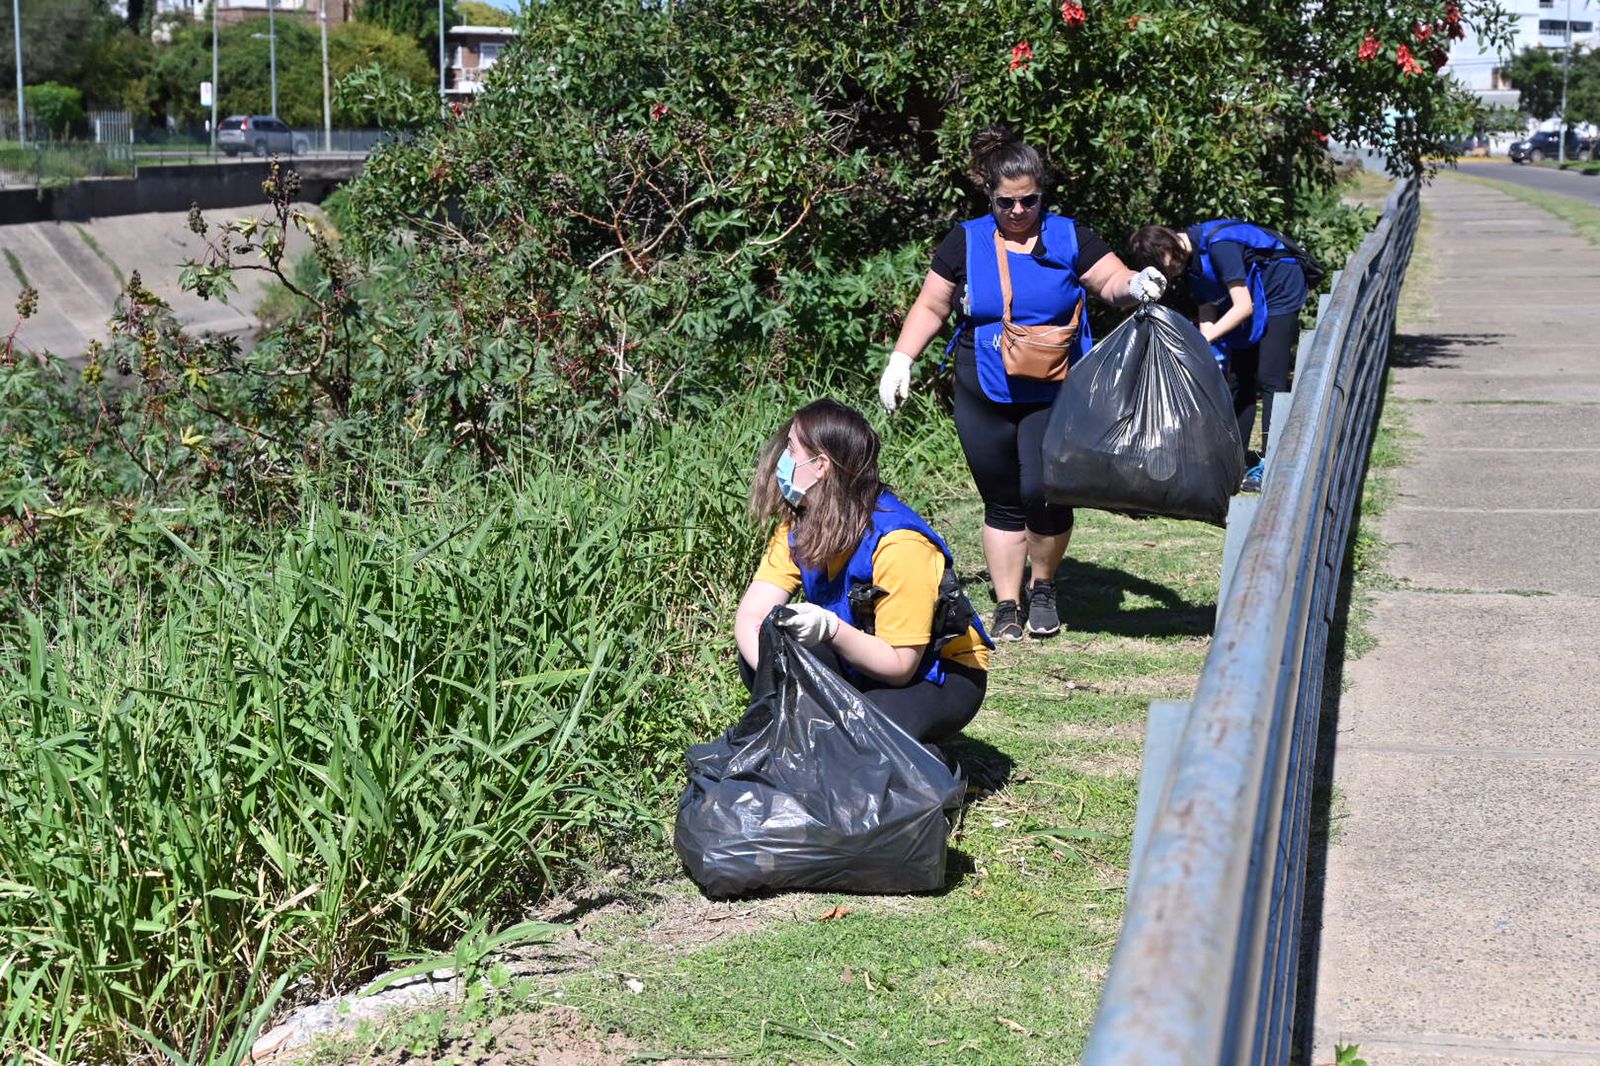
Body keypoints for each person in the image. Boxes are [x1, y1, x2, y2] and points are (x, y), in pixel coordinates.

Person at [876, 125, 1167, 642]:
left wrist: (1137, 283)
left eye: (1028, 200)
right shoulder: (964, 240)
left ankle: (1046, 587)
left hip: (1053, 389)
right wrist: (901, 359)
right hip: (982, 386)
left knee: (1044, 490)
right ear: (990, 195)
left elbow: (1110, 281)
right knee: (1002, 497)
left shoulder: (1068, 236)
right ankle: (1009, 604)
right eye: (1006, 202)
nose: (1017, 211)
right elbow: (932, 304)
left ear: (1041, 195)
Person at [734, 399, 992, 745]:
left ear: (821, 465)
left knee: (860, 731)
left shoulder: (899, 544)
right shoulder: (798, 526)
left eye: (791, 448)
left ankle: (934, 769)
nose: (782, 458)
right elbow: (750, 617)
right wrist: (779, 682)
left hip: (935, 674)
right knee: (766, 654)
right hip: (859, 659)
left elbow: (900, 666)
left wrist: (830, 628)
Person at [1126, 219, 1316, 493]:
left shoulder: (1220, 247)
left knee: (1269, 377)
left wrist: (1205, 339)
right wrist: (1205, 346)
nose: (1167, 272)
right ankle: (1232, 461)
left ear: (1167, 249)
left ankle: (1272, 461)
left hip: (1280, 285)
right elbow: (1207, 305)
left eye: (1162, 264)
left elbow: (1242, 306)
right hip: (1252, 291)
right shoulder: (1190, 261)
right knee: (1240, 378)